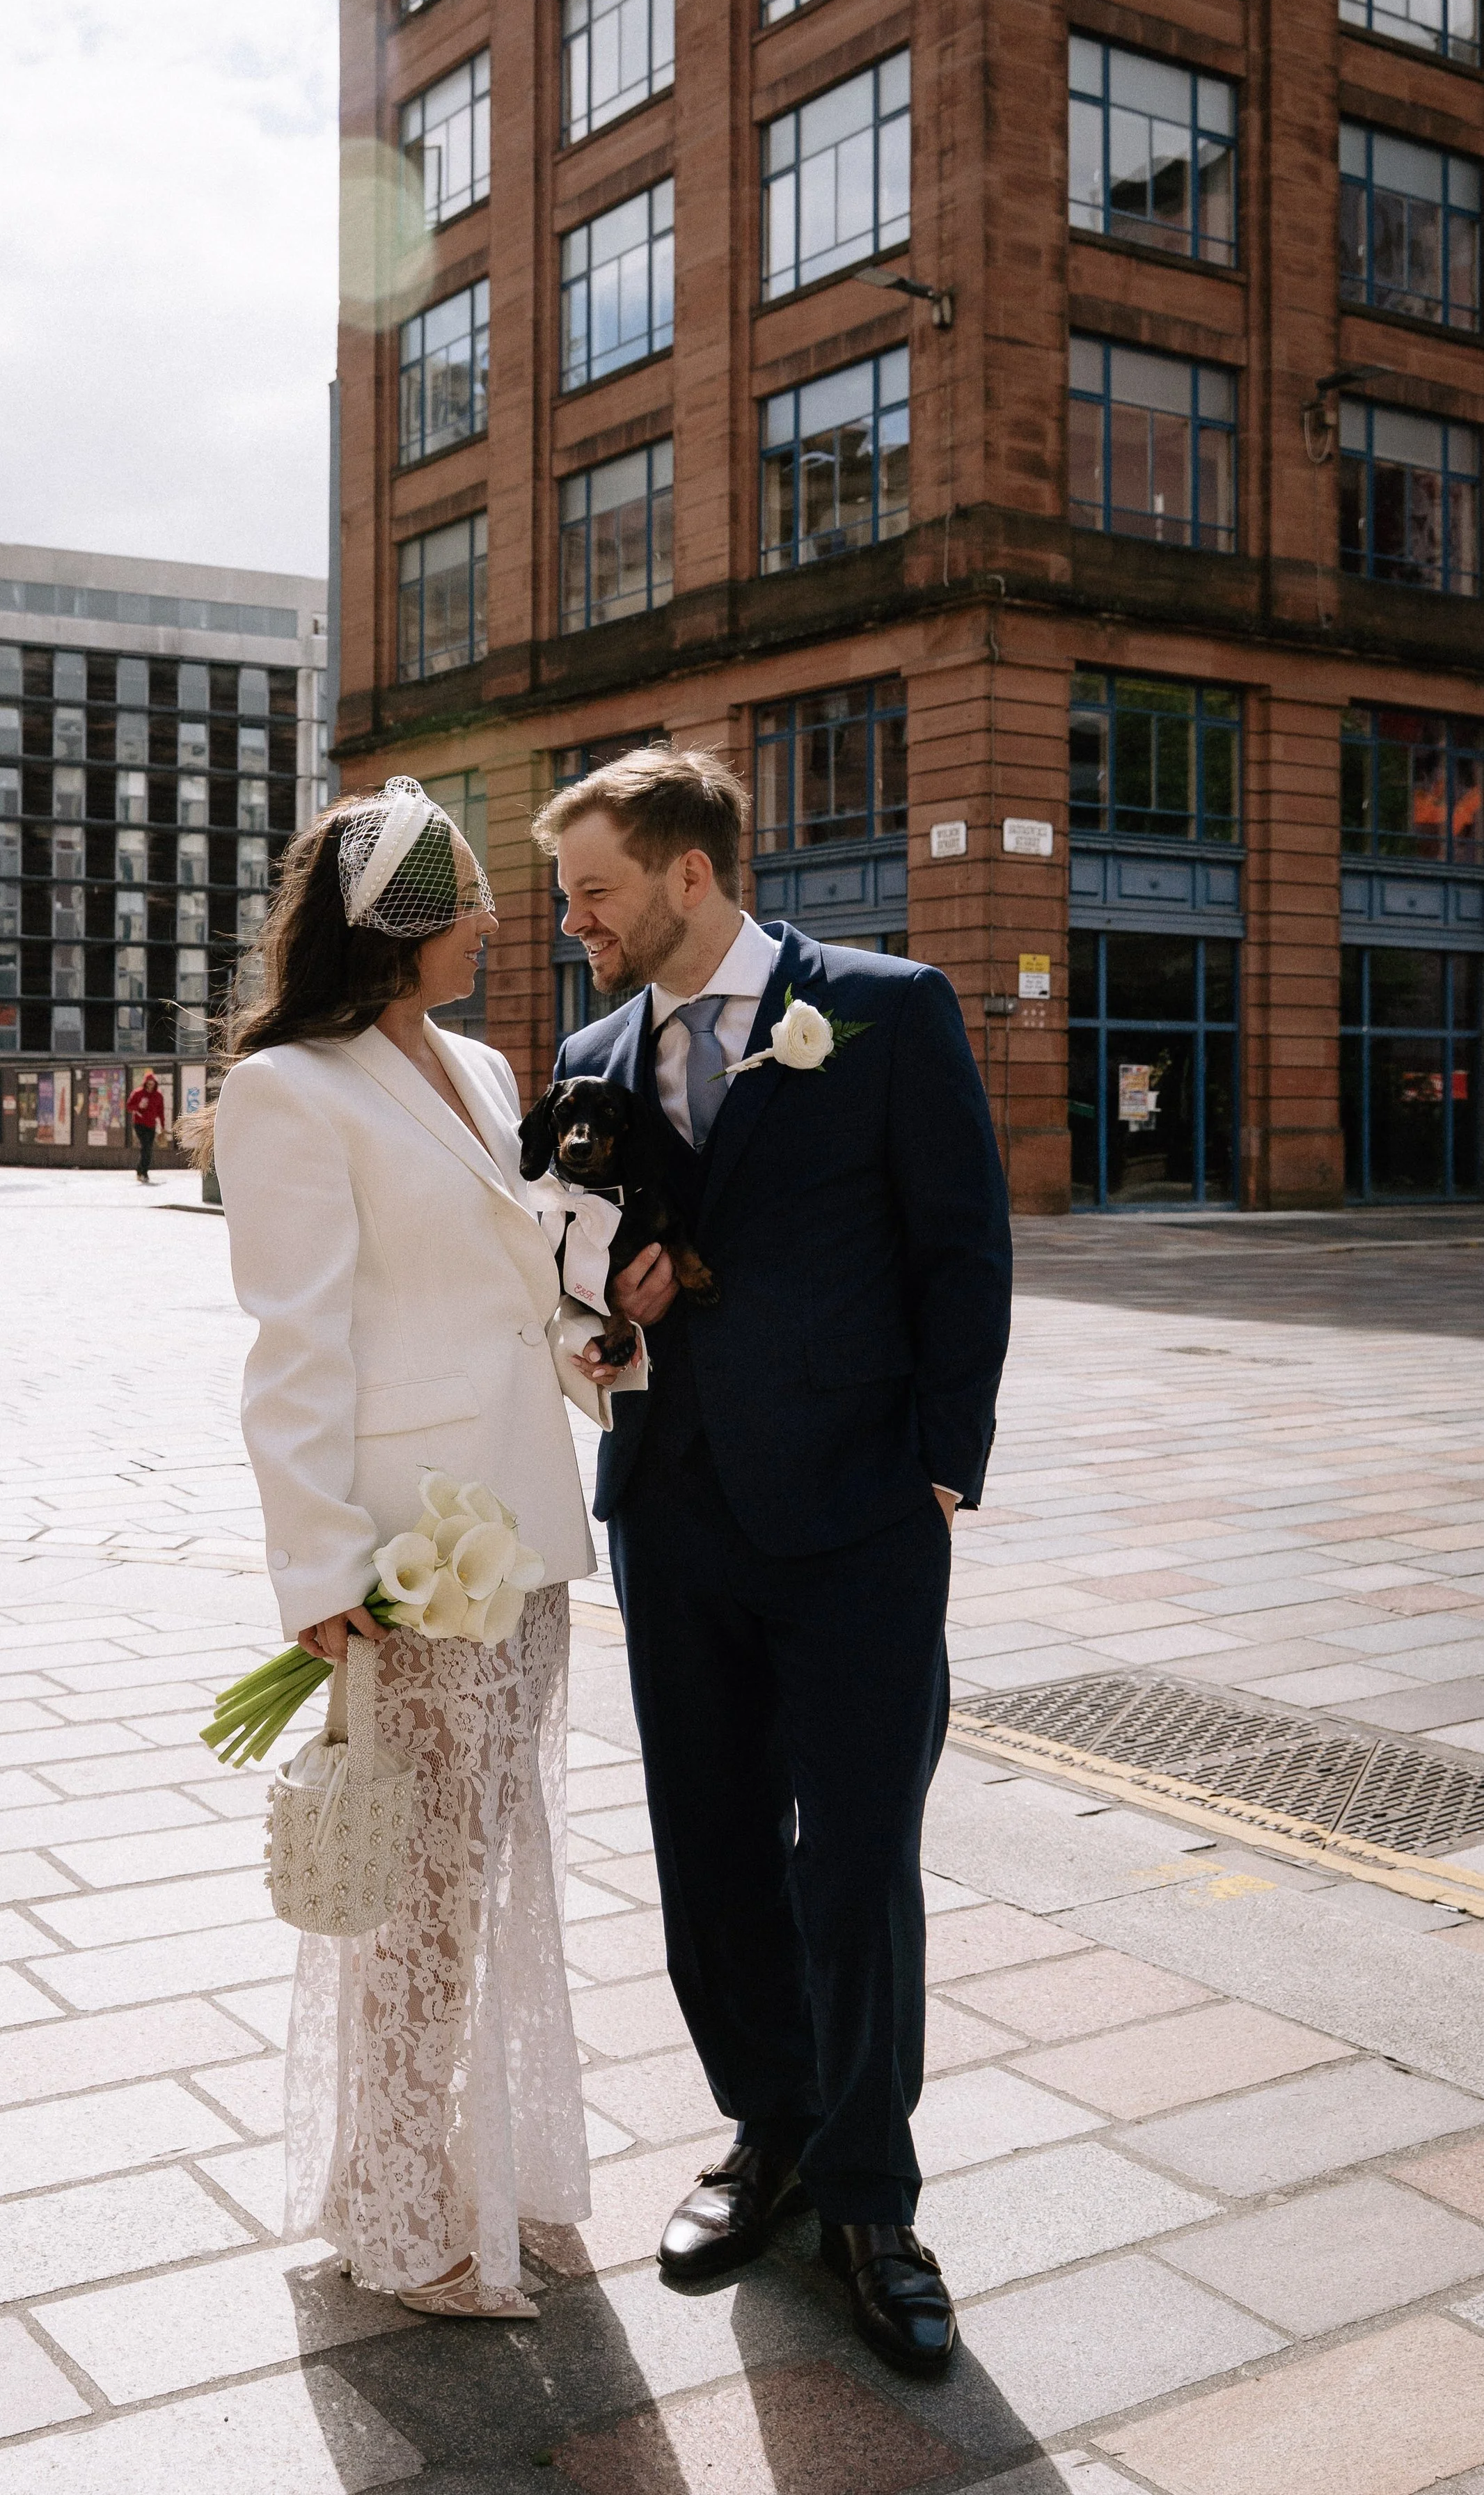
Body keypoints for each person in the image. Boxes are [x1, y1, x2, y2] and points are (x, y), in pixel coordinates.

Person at [535, 747, 1011, 2377]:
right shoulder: (592, 1047)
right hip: (671, 1509)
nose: (574, 921)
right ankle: (770, 2133)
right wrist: (597, 1326)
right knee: (712, 1847)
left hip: (861, 1517)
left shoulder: (887, 1004)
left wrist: (945, 1458)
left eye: (592, 890)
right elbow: (572, 1260)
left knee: (857, 1854)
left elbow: (962, 1239)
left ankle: (874, 2196)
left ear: (686, 872)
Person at [210, 777, 626, 2320]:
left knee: (485, 1858)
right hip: (411, 1554)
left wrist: (602, 1345)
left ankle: (458, 2159)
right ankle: (392, 2209)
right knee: (422, 1889)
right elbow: (294, 1346)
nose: (499, 924)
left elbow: (511, 1284)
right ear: (393, 925)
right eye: (467, 904)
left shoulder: (480, 1062)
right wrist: (318, 1569)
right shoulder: (289, 1091)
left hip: (521, 1527)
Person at [127, 1069, 164, 1182]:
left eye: (152, 1084)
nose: (150, 1086)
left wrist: (163, 1126)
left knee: (148, 1148)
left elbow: (161, 1112)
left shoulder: (158, 1096)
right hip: (139, 1124)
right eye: (148, 1084)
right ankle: (144, 1172)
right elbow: (129, 1107)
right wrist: (139, 1106)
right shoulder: (138, 1093)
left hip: (151, 1125)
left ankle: (141, 1171)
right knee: (145, 1146)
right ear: (145, 1083)